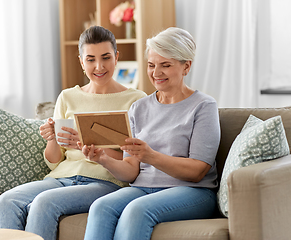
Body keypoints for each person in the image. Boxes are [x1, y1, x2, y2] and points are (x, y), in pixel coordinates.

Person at [0, 26, 146, 240]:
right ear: (82, 62)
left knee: (44, 203)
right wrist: (52, 139)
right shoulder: (67, 97)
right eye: (90, 59)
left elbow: (133, 164)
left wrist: (90, 147)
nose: (99, 66)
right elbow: (55, 161)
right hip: (61, 177)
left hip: (105, 181)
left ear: (116, 57)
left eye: (105, 57)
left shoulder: (136, 99)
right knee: (6, 201)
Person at [80, 27, 221, 240]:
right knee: (100, 207)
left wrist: (151, 156)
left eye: (165, 65)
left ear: (186, 66)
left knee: (137, 211)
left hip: (193, 191)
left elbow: (197, 171)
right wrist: (103, 159)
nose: (156, 73)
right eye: (151, 65)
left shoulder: (203, 106)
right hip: (143, 187)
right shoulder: (138, 108)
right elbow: (130, 172)